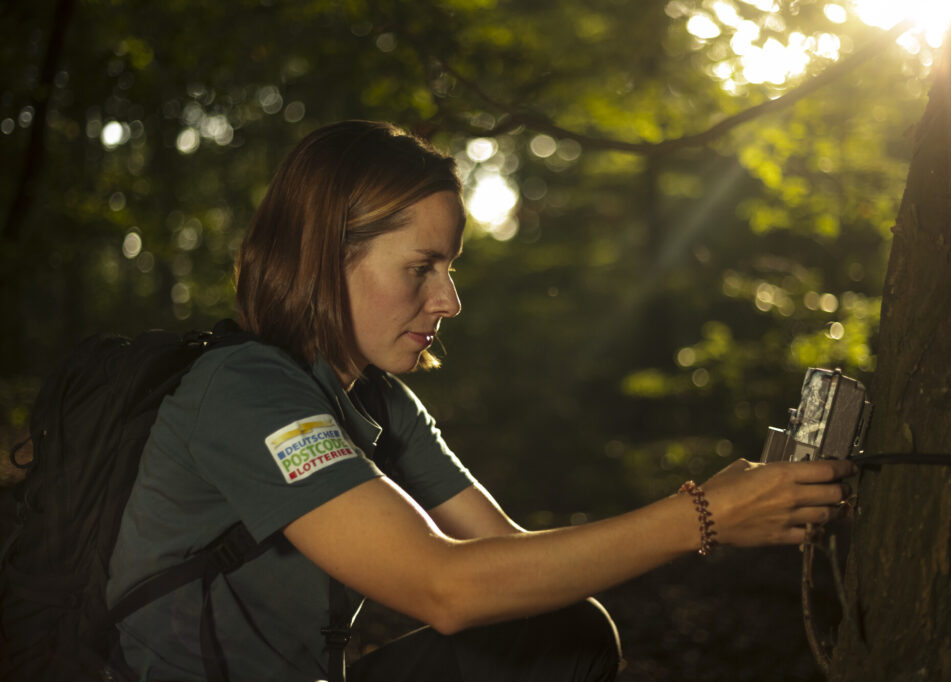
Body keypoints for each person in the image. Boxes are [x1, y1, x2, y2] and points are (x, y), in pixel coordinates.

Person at [106, 120, 854, 682]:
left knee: (564, 632)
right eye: (421, 267)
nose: (449, 300)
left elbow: (506, 560)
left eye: (451, 268)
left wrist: (742, 508)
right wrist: (703, 515)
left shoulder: (382, 404)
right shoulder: (245, 391)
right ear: (327, 259)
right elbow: (446, 587)